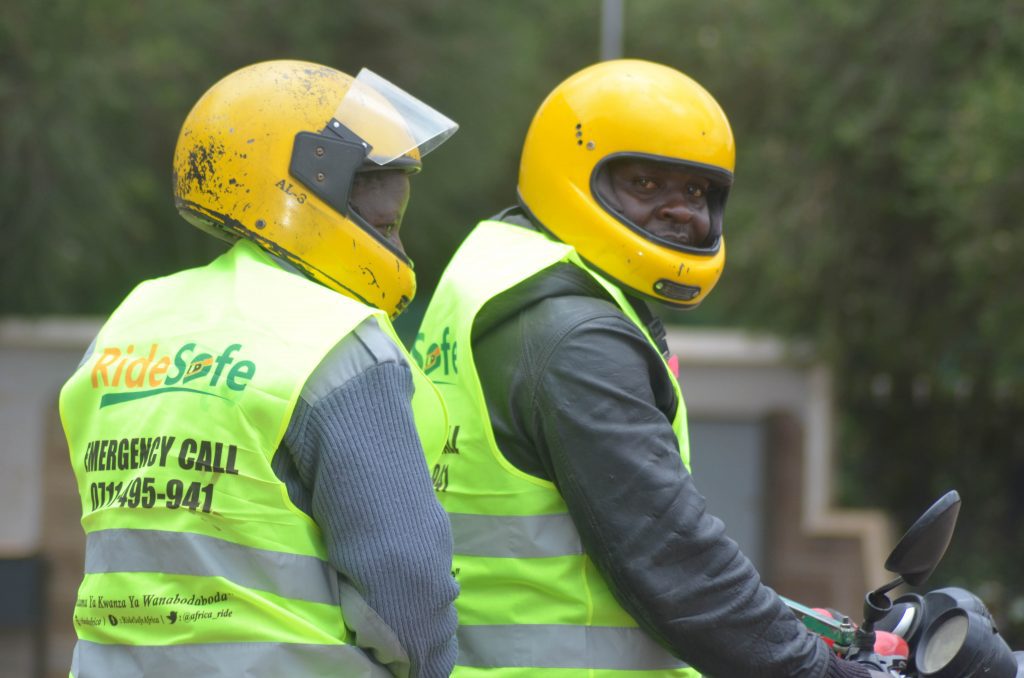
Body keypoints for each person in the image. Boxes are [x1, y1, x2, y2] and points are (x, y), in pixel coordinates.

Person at [415, 59, 884, 677]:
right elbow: (675, 562)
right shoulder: (576, 338)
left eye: (696, 192)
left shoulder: (494, 273)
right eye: (644, 184)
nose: (680, 212)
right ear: (570, 173)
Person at [59, 60, 460, 678]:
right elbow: (407, 591)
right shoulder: (334, 341)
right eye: (378, 198)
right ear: (307, 178)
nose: (393, 210)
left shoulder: (132, 322)